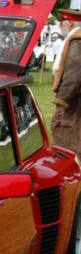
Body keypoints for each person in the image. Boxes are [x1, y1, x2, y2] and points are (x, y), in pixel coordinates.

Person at [51, 9, 81, 154]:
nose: (59, 25)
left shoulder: (76, 39)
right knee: (57, 124)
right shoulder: (74, 38)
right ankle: (63, 157)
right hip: (73, 93)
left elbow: (75, 71)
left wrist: (62, 97)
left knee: (70, 129)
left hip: (73, 95)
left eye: (61, 22)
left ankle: (74, 166)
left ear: (70, 24)